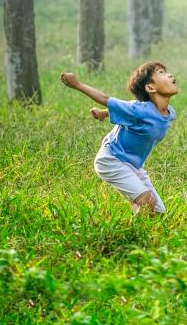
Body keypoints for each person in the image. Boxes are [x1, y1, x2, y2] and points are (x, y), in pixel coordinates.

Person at [60, 62, 178, 215]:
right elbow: (106, 99)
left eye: (167, 71)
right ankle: (124, 234)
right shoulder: (139, 109)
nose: (169, 75)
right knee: (147, 203)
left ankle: (137, 211)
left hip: (133, 166)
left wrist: (103, 113)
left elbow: (127, 111)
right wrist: (77, 84)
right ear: (150, 88)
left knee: (157, 212)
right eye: (161, 72)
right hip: (112, 160)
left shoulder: (170, 113)